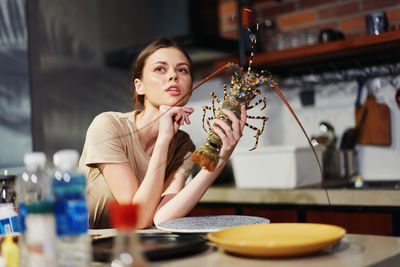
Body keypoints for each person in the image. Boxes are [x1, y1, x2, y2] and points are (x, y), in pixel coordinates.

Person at [79, 38, 247, 229]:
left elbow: (162, 218)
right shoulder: (108, 126)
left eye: (182, 70)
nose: (173, 76)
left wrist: (219, 160)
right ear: (139, 85)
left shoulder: (183, 146)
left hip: (136, 247)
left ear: (190, 87)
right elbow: (138, 218)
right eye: (160, 69)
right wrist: (163, 140)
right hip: (86, 247)